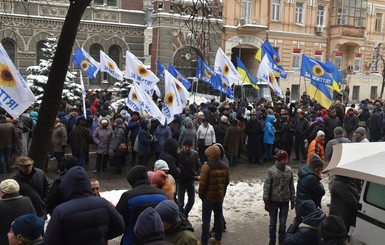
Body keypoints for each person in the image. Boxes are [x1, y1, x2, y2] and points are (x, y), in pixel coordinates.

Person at [44, 166, 125, 245]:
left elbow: (50, 241)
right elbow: (120, 226)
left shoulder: (60, 211)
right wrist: (102, 236)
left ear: (66, 186)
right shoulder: (103, 203)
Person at [116, 165, 168, 245]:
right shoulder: (163, 195)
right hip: (159, 241)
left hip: (132, 240)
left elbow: (118, 221)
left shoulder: (128, 197)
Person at [198, 145, 229, 245]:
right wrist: (222, 193)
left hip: (208, 198)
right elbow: (226, 182)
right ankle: (217, 240)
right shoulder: (225, 166)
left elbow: (202, 184)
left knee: (206, 220)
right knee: (218, 217)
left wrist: (201, 195)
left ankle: (204, 241)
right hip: (219, 197)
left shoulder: (206, 166)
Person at [263, 150, 295, 245]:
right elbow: (267, 187)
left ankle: (282, 241)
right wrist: (266, 201)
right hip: (273, 202)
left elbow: (291, 186)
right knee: (272, 224)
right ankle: (272, 241)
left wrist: (293, 199)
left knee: (282, 224)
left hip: (285, 201)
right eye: (285, 158)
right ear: (281, 160)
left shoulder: (289, 171)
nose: (287, 160)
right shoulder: (271, 171)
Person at [0, 179, 36, 245]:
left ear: (4, 192)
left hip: (5, 240)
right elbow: (34, 219)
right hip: (25, 240)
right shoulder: (27, 200)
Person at [329, 175, 362, 239]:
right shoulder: (341, 185)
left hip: (343, 215)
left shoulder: (346, 182)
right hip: (342, 216)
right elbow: (353, 202)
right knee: (340, 236)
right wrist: (363, 206)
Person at [177, 138, 201, 218]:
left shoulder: (195, 154)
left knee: (191, 201)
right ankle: (181, 217)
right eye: (186, 146)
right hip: (181, 181)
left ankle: (184, 215)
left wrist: (197, 174)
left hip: (191, 180)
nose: (187, 148)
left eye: (189, 147)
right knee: (180, 202)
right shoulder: (178, 154)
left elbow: (199, 165)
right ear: (183, 146)